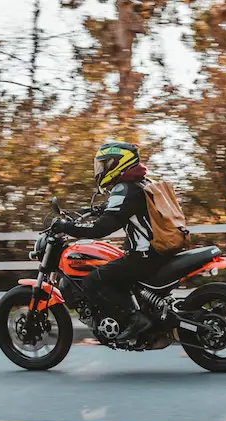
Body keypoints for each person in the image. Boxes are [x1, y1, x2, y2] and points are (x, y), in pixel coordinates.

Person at [51, 141, 168, 343]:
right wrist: (99, 209)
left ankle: (134, 319)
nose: (101, 169)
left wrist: (66, 227)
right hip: (156, 253)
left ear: (118, 164)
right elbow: (122, 207)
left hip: (143, 256)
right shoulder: (141, 183)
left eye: (105, 164)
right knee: (113, 272)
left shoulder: (126, 188)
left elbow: (101, 229)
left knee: (93, 280)